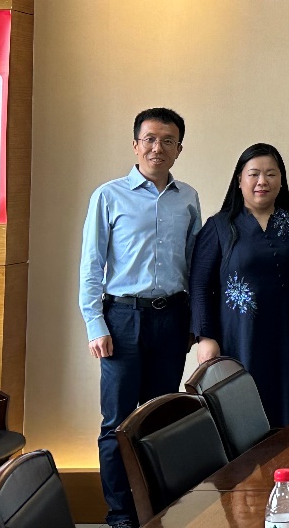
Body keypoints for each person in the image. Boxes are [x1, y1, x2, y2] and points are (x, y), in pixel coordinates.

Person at [79, 107, 201, 528]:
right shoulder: (108, 196)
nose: (157, 148)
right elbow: (91, 266)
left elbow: (193, 264)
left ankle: (157, 510)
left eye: (168, 141)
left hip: (171, 319)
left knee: (160, 420)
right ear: (135, 145)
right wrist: (95, 324)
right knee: (117, 423)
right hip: (122, 319)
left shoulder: (188, 198)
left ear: (179, 149)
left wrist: (193, 322)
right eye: (149, 139)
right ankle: (121, 517)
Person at [190, 143, 289, 428]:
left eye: (271, 174)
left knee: (284, 421)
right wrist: (205, 337)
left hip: (283, 341)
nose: (262, 181)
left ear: (281, 180)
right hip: (236, 341)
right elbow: (200, 285)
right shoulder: (219, 226)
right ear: (239, 180)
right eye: (254, 174)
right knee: (238, 421)